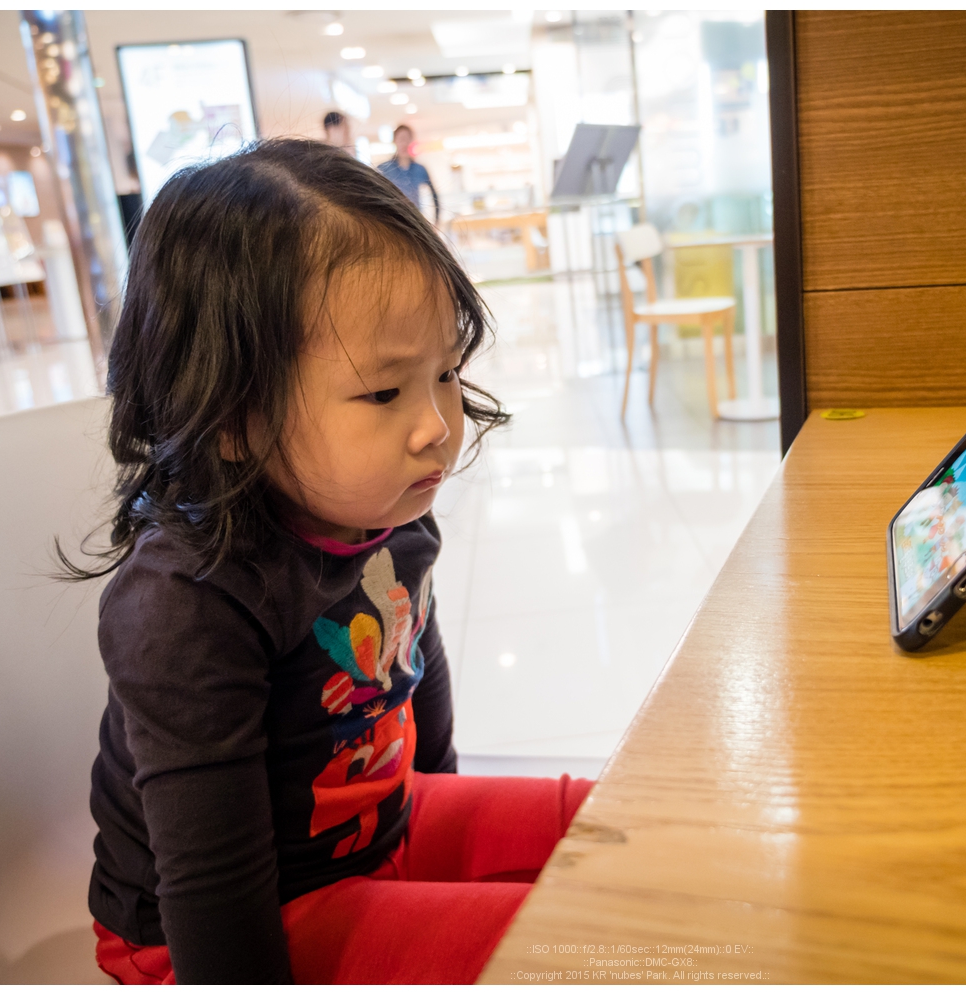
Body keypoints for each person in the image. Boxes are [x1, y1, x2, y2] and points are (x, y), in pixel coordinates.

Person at [67, 139, 592, 983]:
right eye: (384, 392)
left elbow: (415, 662)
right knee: (581, 949)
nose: (435, 426)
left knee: (619, 825)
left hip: (376, 828)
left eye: (446, 372)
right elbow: (211, 891)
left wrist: (439, 854)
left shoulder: (388, 505)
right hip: (226, 926)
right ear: (233, 418)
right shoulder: (186, 602)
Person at [378, 124, 440, 222]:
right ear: (394, 141)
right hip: (393, 222)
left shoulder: (420, 169)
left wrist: (437, 220)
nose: (404, 143)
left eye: (407, 139)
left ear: (411, 141)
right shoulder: (384, 169)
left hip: (416, 221)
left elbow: (434, 195)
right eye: (401, 139)